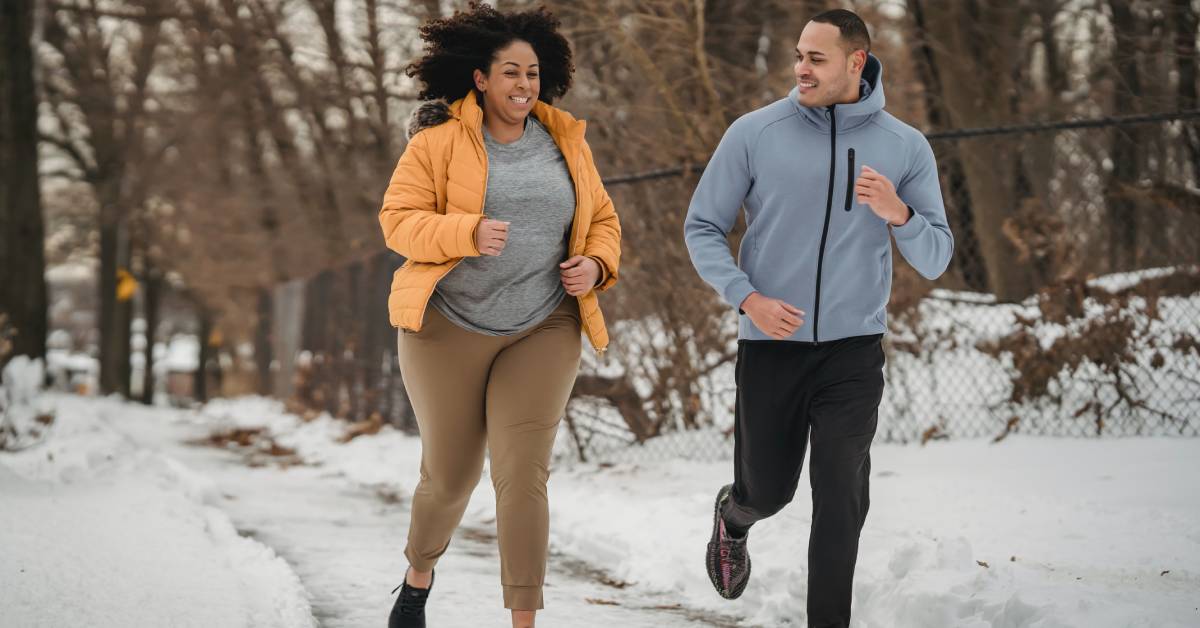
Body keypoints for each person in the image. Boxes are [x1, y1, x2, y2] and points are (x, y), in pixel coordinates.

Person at [683, 9, 953, 627]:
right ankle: (734, 517)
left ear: (856, 62)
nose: (801, 68)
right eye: (799, 55)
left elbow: (937, 257)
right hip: (770, 343)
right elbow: (702, 226)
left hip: (853, 348)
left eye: (817, 58)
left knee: (840, 496)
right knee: (770, 490)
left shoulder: (905, 146)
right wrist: (746, 297)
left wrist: (899, 214)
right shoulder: (756, 133)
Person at [377, 4, 621, 627]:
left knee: (521, 475)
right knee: (451, 478)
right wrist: (465, 231)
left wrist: (594, 266)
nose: (524, 85)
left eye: (533, 73)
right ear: (481, 79)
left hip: (544, 323)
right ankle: (417, 576)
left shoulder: (566, 140)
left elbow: (604, 223)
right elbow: (398, 223)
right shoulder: (435, 144)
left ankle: (523, 620)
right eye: (510, 72)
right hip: (446, 326)